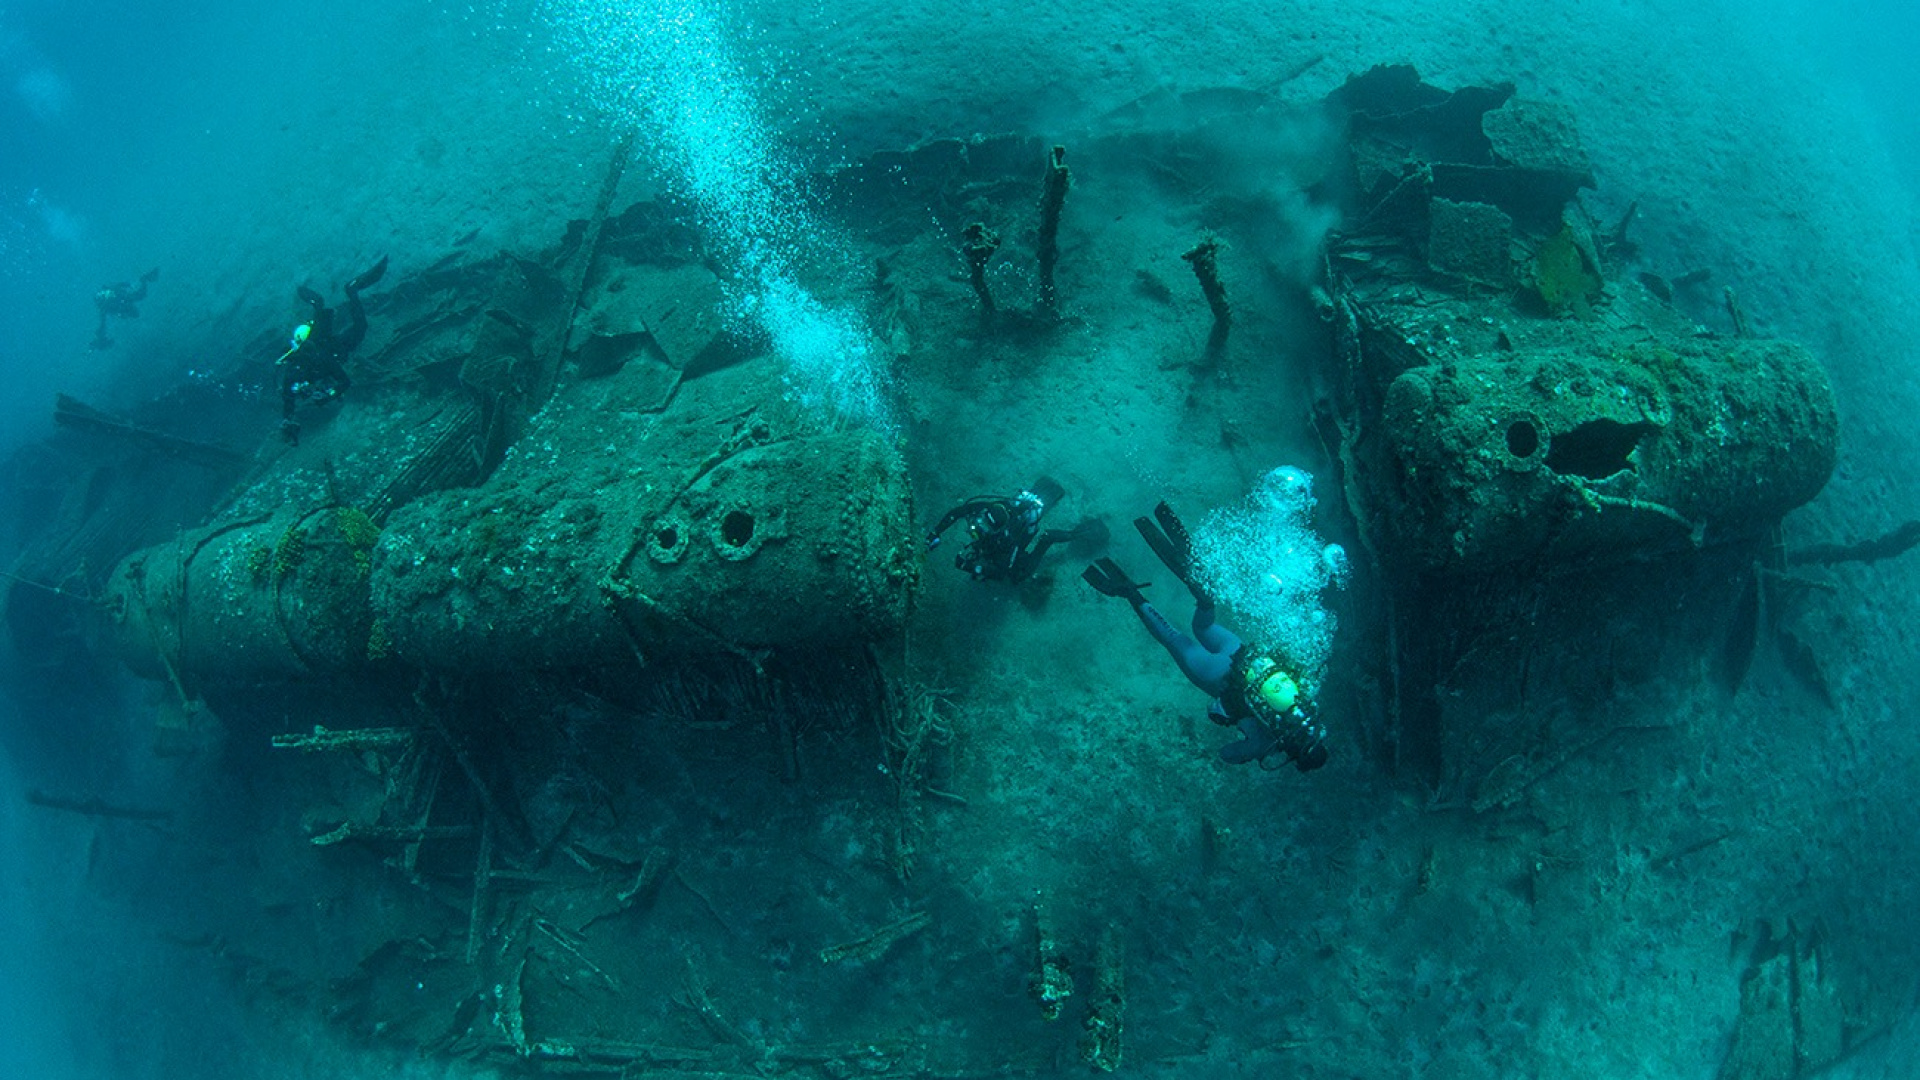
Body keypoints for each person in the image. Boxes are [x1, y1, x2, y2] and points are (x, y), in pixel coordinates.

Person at [1082, 501, 1328, 771]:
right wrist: (1256, 750)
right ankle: (1130, 592)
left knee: (1203, 626)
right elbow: (1227, 754)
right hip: (1216, 676)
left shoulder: (1307, 703)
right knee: (1173, 639)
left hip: (1240, 653)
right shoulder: (1270, 740)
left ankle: (1204, 596)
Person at [278, 255, 387, 444]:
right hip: (329, 345)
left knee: (359, 326)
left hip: (337, 347)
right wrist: (288, 422)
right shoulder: (293, 375)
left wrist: (329, 396)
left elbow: (345, 382)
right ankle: (312, 289)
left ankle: (351, 289)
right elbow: (288, 402)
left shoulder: (317, 362)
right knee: (322, 307)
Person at [925, 476, 1105, 582]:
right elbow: (958, 511)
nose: (980, 526)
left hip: (1016, 547)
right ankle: (1045, 489)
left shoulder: (1011, 538)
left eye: (987, 527)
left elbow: (1004, 571)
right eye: (981, 521)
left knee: (1019, 575)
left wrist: (970, 567)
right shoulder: (988, 507)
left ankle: (1085, 532)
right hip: (1008, 529)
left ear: (999, 530)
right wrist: (936, 532)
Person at [90, 267, 159, 350]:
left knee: (139, 297)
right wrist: (127, 285)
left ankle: (144, 278)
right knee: (139, 299)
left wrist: (100, 335)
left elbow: (102, 323)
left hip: (123, 300)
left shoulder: (103, 308)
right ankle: (144, 279)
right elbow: (117, 286)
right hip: (123, 300)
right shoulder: (105, 305)